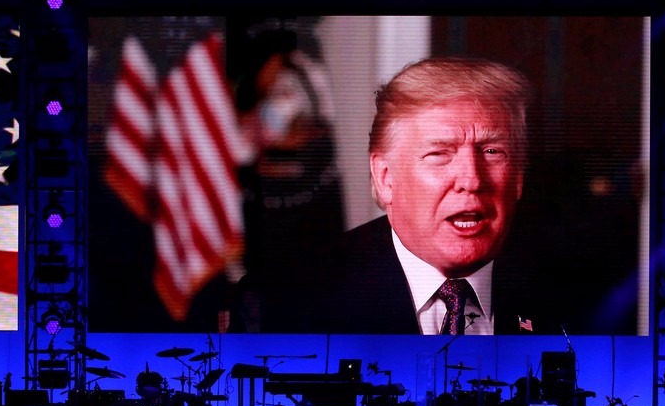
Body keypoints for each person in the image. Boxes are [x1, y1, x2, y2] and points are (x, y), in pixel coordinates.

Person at [241, 55, 569, 334]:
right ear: (385, 179)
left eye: (492, 151)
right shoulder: (281, 305)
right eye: (439, 154)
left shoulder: (581, 298)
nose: (471, 180)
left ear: (519, 179)